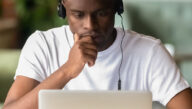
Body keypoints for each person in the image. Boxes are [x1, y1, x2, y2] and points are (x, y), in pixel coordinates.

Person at [3, 0, 192, 109]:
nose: (90, 26)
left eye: (101, 14)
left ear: (116, 8)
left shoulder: (149, 52)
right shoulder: (43, 45)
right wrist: (67, 71)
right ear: (63, 9)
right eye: (78, 15)